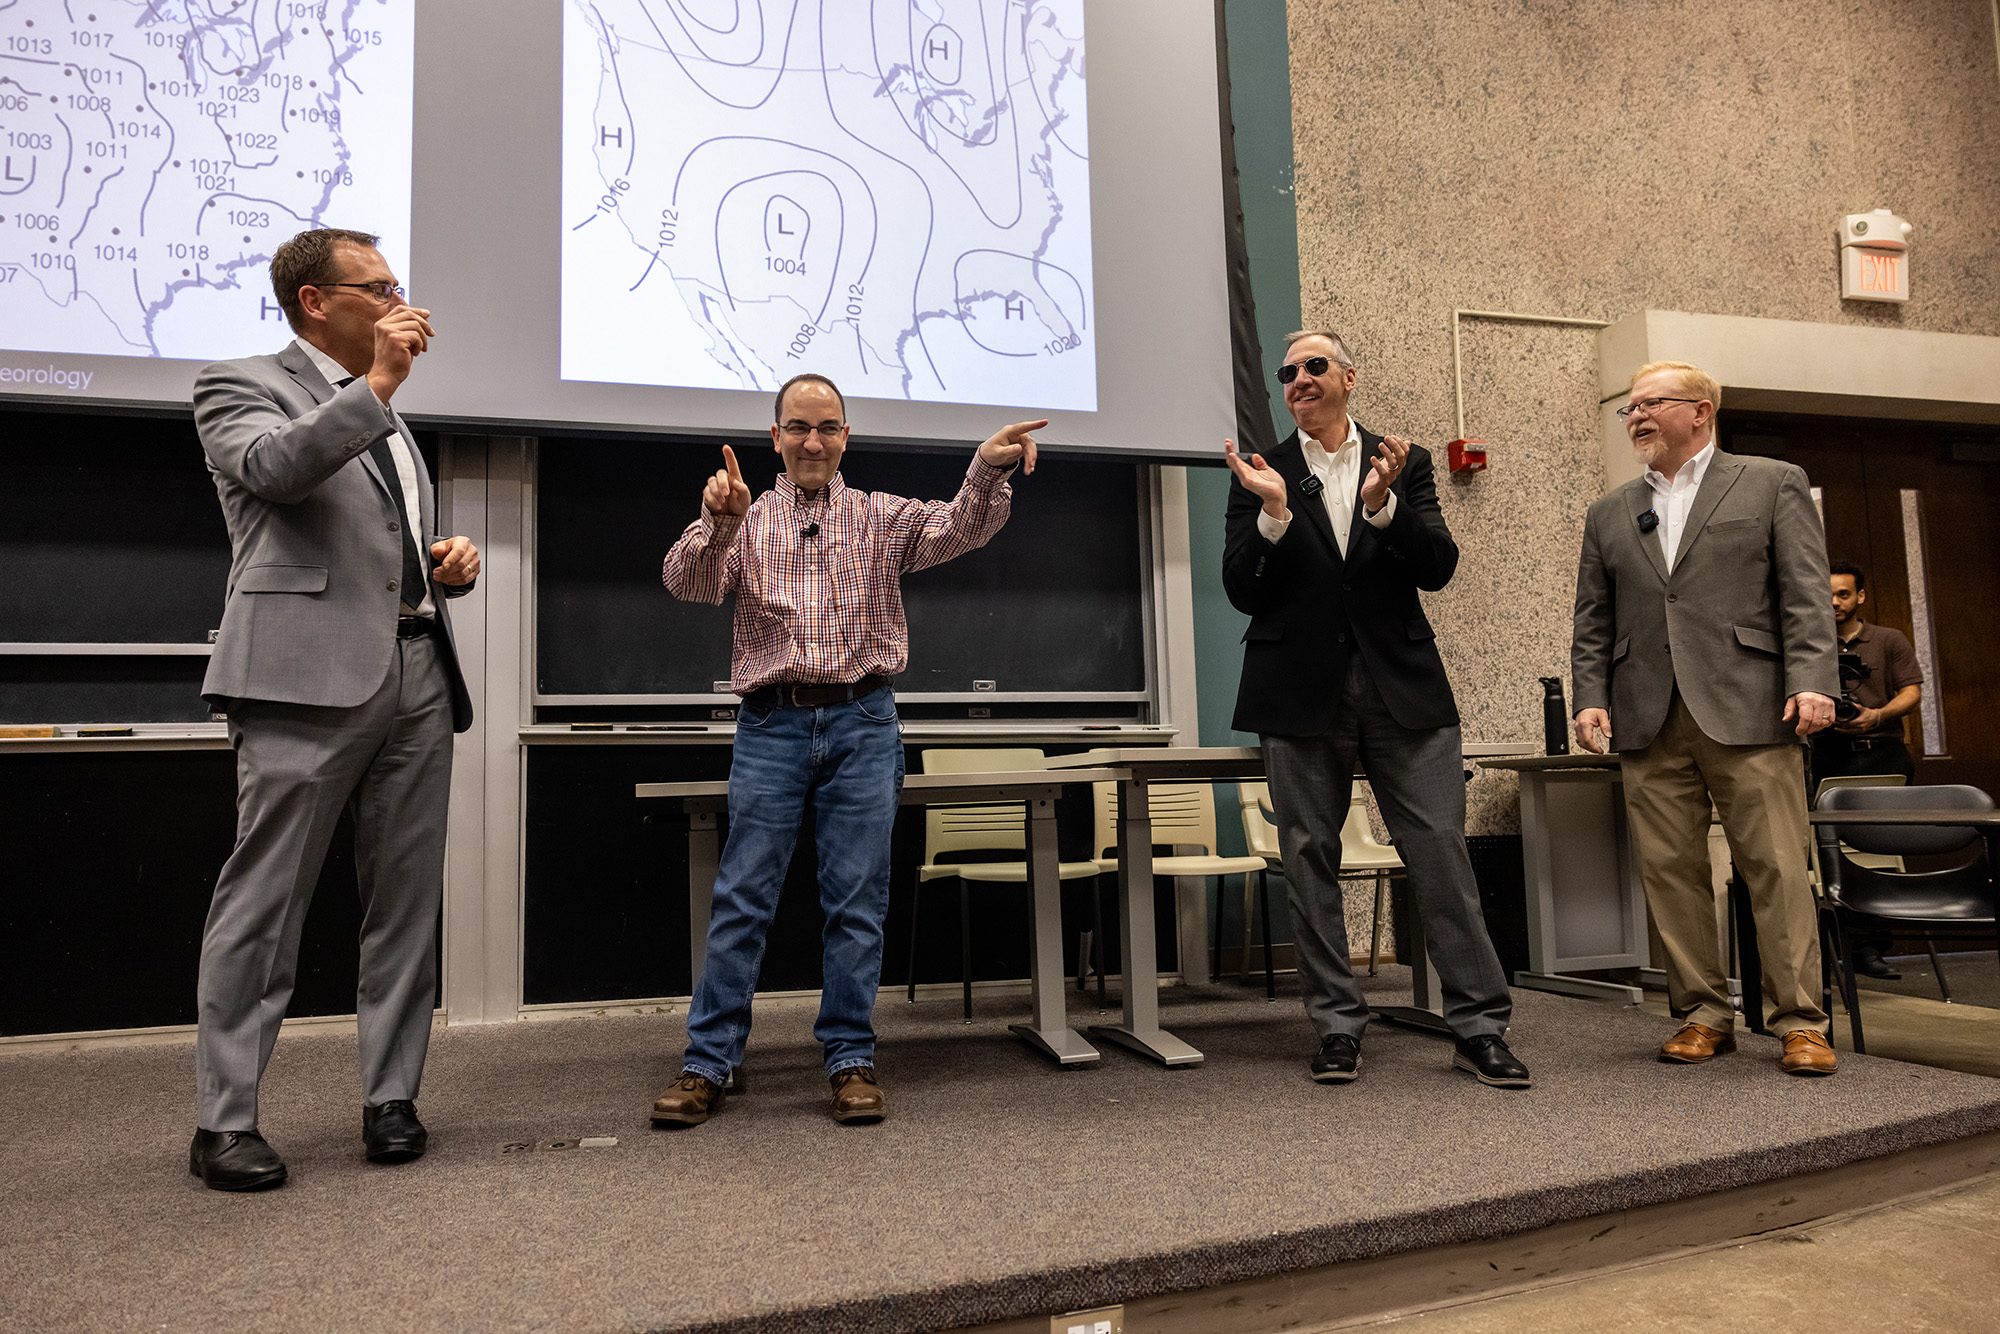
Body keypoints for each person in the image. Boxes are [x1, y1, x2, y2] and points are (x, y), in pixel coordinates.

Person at [652, 373, 1044, 1127]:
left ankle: (850, 1058)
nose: (812, 441)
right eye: (798, 428)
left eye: (827, 427)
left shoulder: (880, 517)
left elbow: (961, 527)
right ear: (775, 438)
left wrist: (986, 466)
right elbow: (689, 584)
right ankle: (708, 1063)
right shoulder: (749, 516)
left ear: (845, 438)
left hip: (864, 723)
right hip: (772, 725)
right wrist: (718, 524)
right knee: (742, 902)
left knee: (857, 903)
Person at [189, 228, 480, 1190]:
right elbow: (274, 471)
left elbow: (371, 540)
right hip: (300, 681)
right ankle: (225, 1121)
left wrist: (441, 565)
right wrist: (382, 387)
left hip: (415, 673)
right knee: (266, 901)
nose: (402, 299)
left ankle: (391, 1097)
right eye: (381, 285)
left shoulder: (383, 414)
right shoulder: (237, 384)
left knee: (403, 902)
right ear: (318, 302)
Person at [1221, 328, 1530, 1090]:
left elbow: (1439, 569)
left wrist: (1384, 509)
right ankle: (1336, 1026)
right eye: (1287, 370)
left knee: (1440, 856)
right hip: (1297, 691)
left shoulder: (1405, 460)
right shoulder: (1264, 470)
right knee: (1309, 860)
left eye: (1314, 365)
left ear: (1349, 378)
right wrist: (1272, 517)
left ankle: (1480, 1027)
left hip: (1402, 687)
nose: (1297, 378)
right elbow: (1240, 590)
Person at [1571, 360, 1839, 1075]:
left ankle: (1800, 1023)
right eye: (1629, 408)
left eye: (1650, 403)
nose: (1635, 416)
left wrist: (1814, 680)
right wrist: (1590, 695)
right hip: (1646, 714)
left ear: (1701, 411)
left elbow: (1805, 594)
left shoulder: (1771, 481)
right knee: (1669, 870)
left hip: (1751, 705)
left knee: (1777, 867)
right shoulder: (1610, 510)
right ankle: (1702, 1013)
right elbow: (1593, 619)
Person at [1814, 559, 1925, 979]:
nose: (1835, 602)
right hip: (1826, 755)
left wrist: (1876, 715)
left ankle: (1872, 948)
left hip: (1883, 753)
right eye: (1828, 594)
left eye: (1843, 594)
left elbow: (1911, 690)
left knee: (1879, 850)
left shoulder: (1888, 639)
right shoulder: (1811, 642)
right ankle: (1834, 944)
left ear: (1860, 596)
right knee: (1826, 852)